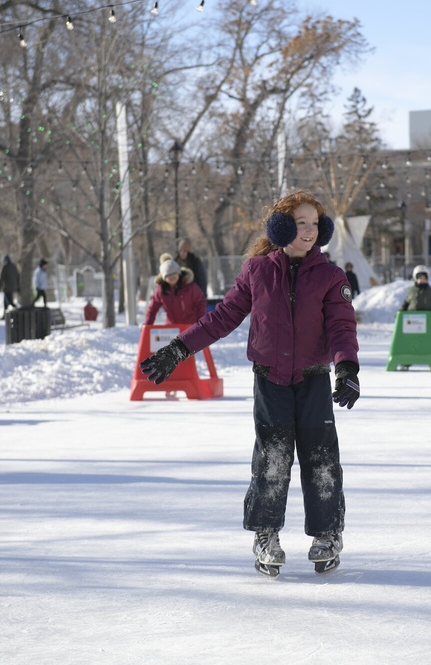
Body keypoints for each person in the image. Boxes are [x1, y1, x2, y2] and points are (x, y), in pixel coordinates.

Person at [139, 190, 359, 576]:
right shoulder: (257, 271)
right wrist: (178, 349)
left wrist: (347, 369)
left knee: (321, 459)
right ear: (282, 226)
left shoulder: (330, 276)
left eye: (314, 224)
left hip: (312, 380)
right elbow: (222, 317)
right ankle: (265, 534)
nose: (308, 231)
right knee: (272, 459)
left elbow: (341, 326)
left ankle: (327, 533)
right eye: (300, 223)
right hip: (270, 381)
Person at [144, 257, 207, 325]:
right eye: (168, 275)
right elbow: (152, 308)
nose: (172, 277)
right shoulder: (161, 290)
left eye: (174, 273)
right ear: (164, 278)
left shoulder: (191, 287)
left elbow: (201, 303)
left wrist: (200, 323)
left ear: (178, 273)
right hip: (172, 328)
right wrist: (147, 324)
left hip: (190, 326)